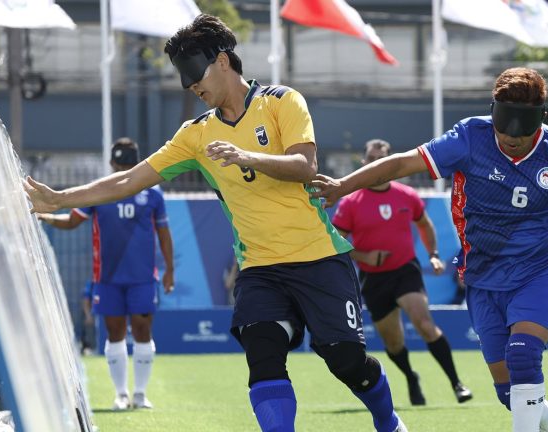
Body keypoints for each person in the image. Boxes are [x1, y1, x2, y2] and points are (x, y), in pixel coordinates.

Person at [25, 15, 406, 432]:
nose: (192, 87)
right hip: (260, 268)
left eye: (196, 76)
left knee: (346, 362)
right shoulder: (195, 135)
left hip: (320, 259)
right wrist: (61, 197)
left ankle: (387, 421)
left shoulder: (282, 101)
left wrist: (249, 157)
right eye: (186, 82)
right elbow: (130, 179)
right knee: (262, 356)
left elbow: (304, 164)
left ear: (223, 61)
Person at [312, 68, 548, 432]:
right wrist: (344, 185)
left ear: (541, 118)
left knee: (523, 355)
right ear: (493, 112)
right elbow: (401, 163)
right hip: (482, 277)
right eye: (505, 127)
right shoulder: (470, 137)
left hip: (537, 273)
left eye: (524, 129)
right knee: (509, 393)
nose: (512, 138)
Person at [37, 137, 174, 411]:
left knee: (143, 330)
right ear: (112, 163)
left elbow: (163, 232)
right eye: (120, 163)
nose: (123, 167)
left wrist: (170, 269)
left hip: (142, 277)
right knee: (115, 333)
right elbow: (72, 222)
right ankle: (121, 394)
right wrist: (45, 216)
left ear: (136, 162)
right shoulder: (98, 193)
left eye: (128, 163)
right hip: (108, 277)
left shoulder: (153, 194)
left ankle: (140, 394)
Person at [332, 138, 472, 406]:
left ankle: (457, 383)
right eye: (371, 159)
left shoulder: (406, 195)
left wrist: (433, 255)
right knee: (394, 343)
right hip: (373, 278)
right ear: (363, 163)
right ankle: (410, 377)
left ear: (388, 160)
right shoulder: (351, 202)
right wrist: (365, 256)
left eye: (381, 158)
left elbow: (425, 225)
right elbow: (337, 241)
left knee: (424, 325)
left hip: (405, 271)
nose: (376, 164)